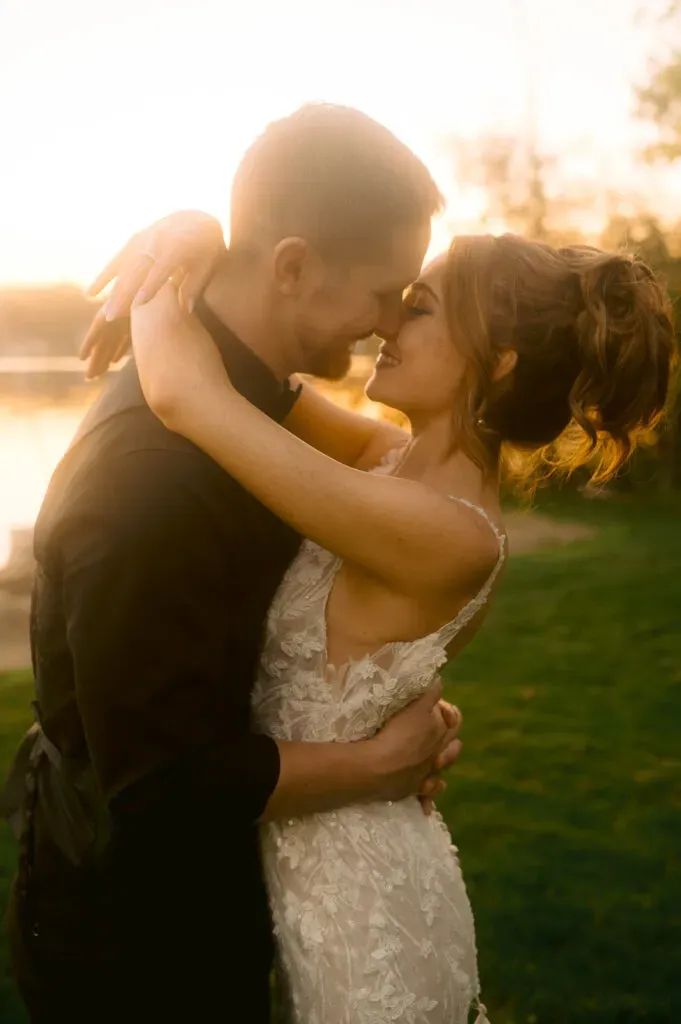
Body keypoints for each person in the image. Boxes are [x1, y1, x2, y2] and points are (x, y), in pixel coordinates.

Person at [83, 215, 676, 1023]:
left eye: (421, 307)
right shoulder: (382, 462)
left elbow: (189, 395)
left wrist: (158, 260)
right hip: (308, 869)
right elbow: (254, 379)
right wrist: (198, 233)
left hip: (362, 911)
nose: (386, 320)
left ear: (495, 364)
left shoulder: (448, 535)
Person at [2, 105, 464, 1024]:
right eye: (383, 292)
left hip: (210, 892)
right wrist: (372, 763)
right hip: (133, 937)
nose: (385, 325)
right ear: (291, 265)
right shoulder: (153, 487)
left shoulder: (244, 410)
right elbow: (159, 787)